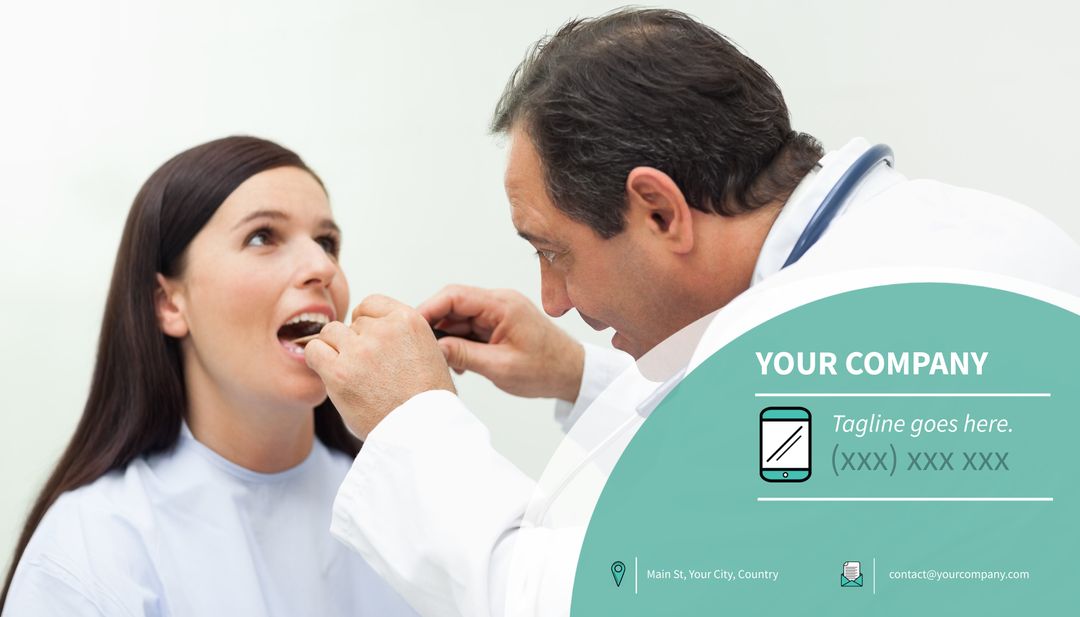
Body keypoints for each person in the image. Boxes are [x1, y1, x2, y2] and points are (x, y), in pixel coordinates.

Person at [303, 8, 1080, 617]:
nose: (554, 300)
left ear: (660, 210)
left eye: (555, 251)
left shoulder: (817, 357)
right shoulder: (961, 236)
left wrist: (414, 423)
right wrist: (579, 377)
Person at [0, 136, 417, 616]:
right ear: (169, 304)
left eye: (327, 242)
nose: (322, 267)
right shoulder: (92, 546)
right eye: (263, 236)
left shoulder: (403, 508)